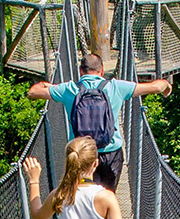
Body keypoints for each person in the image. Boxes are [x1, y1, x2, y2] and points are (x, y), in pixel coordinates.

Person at [26, 53, 172, 192]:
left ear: (80, 71)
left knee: (84, 196)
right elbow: (156, 87)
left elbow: (32, 92)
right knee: (108, 197)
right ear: (102, 71)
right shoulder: (116, 86)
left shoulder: (68, 89)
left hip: (82, 153)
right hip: (111, 153)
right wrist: (166, 84)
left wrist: (49, 86)